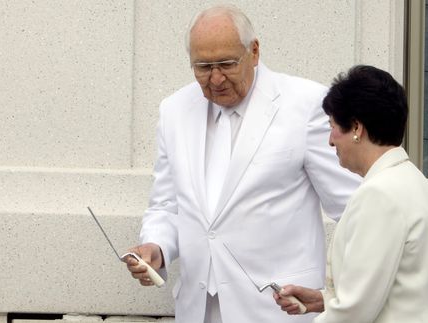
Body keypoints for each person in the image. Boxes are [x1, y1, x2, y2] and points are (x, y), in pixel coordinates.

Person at [125, 4, 360, 323]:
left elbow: (353, 207)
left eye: (226, 63)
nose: (216, 78)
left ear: (254, 51)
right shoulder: (174, 111)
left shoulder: (306, 105)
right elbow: (167, 205)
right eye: (203, 67)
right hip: (197, 310)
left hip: (279, 310)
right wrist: (156, 247)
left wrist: (351, 295)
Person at [274, 65, 428, 322]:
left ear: (356, 128)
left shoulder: (380, 195)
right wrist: (322, 300)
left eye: (332, 126)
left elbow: (355, 311)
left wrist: (335, 308)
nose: (330, 141)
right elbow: (399, 289)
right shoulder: (419, 185)